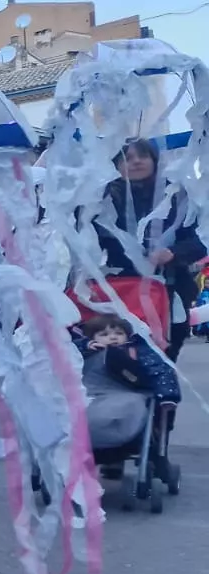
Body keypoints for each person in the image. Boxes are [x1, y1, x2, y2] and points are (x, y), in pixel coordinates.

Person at [97, 138, 208, 362]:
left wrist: (173, 253)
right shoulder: (103, 199)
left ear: (155, 160)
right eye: (127, 158)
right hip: (122, 289)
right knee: (123, 355)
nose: (136, 162)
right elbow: (93, 239)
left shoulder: (177, 195)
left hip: (170, 288)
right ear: (116, 165)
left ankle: (162, 395)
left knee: (166, 353)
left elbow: (199, 240)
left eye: (143, 156)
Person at [77, 314, 180, 449]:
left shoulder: (137, 351)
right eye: (104, 334)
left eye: (119, 333)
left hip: (126, 393)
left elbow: (159, 371)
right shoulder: (85, 353)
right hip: (90, 393)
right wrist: (84, 346)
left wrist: (168, 396)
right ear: (91, 338)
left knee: (120, 409)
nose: (113, 337)